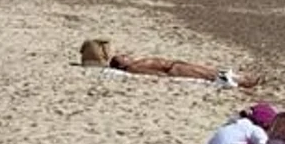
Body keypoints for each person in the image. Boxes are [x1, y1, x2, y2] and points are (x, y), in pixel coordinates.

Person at [107, 52, 261, 88]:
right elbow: (155, 73)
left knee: (209, 70)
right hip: (173, 69)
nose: (125, 56)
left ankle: (239, 77)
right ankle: (242, 81)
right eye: (122, 58)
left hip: (175, 65)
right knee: (208, 74)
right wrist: (166, 74)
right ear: (120, 65)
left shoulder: (135, 63)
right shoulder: (133, 67)